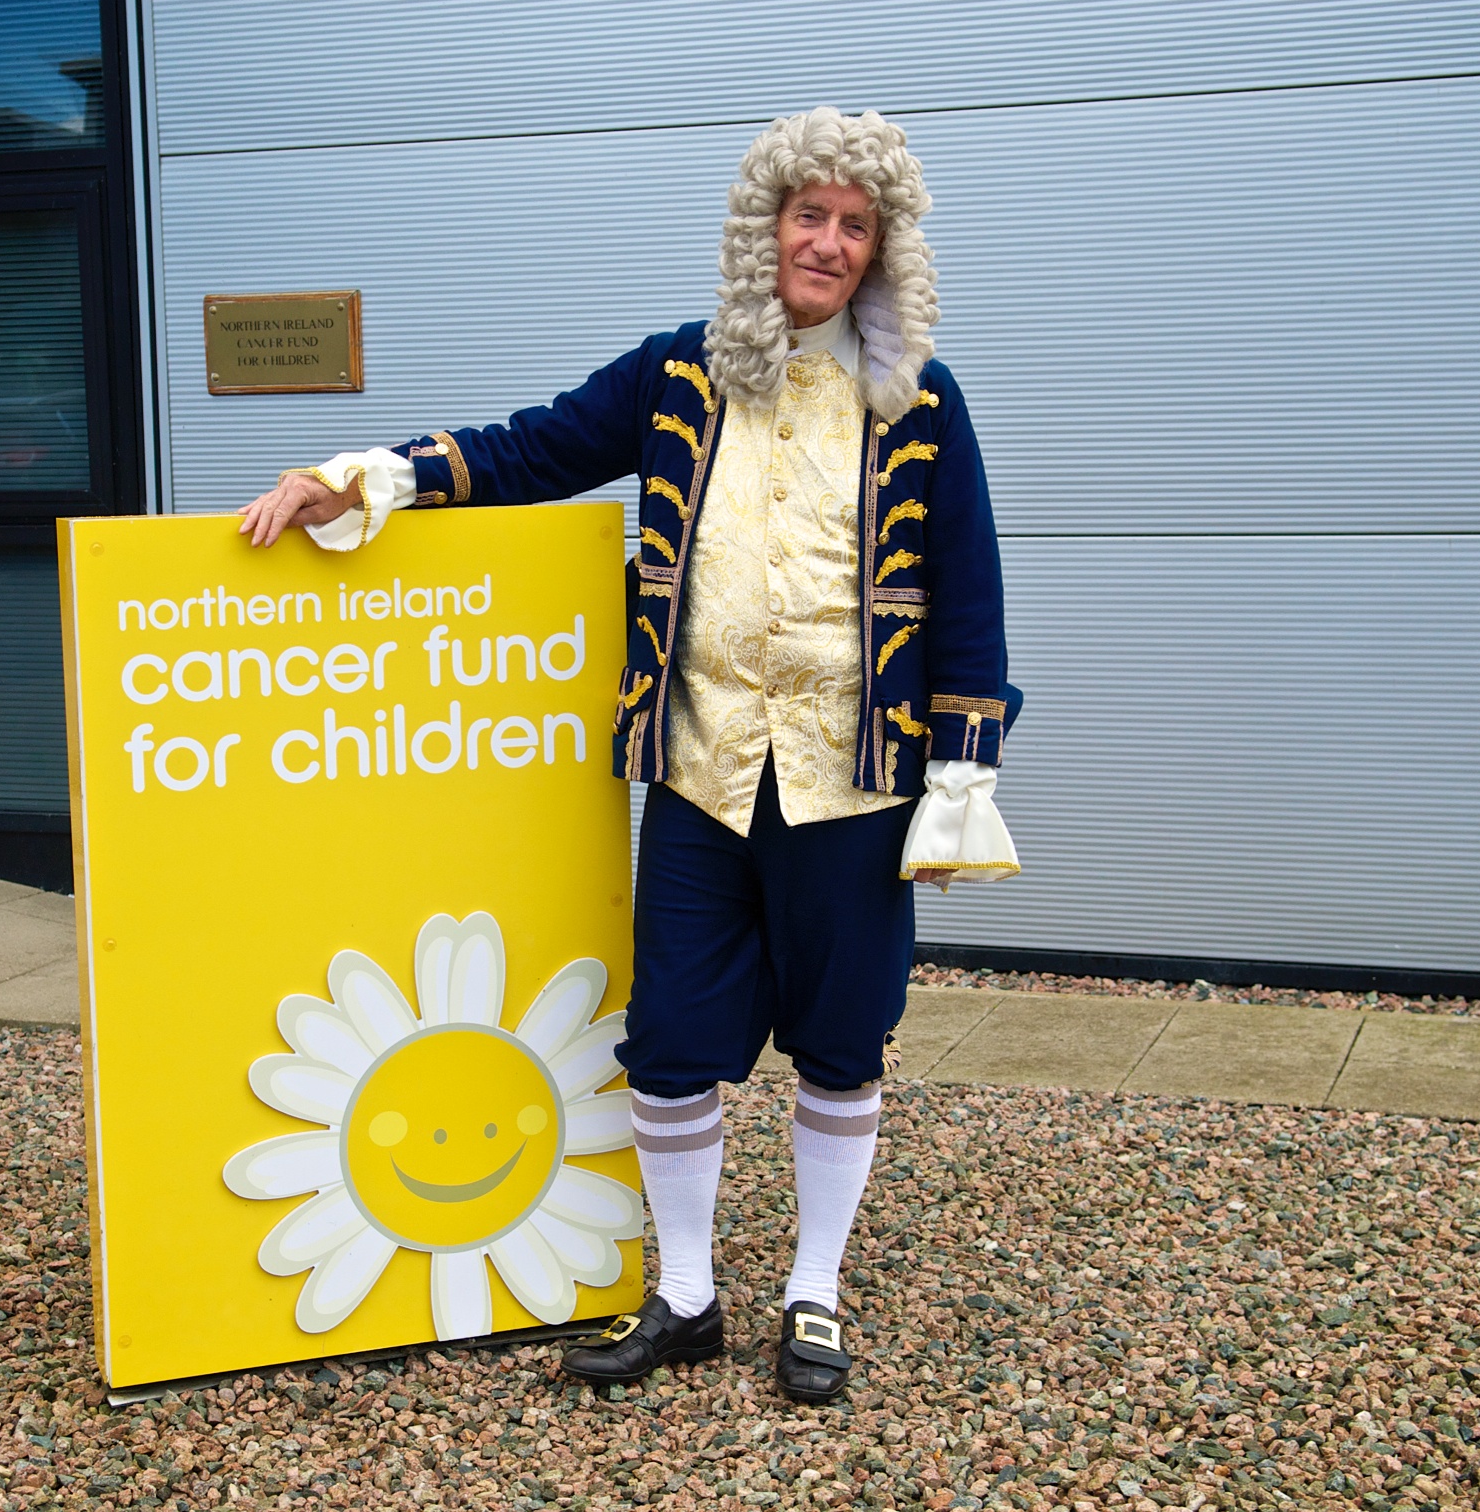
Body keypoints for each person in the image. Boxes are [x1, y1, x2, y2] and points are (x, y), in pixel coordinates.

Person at [238, 106, 1021, 1403]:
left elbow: (968, 594)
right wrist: (366, 478)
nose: (827, 243)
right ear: (765, 225)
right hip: (702, 781)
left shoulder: (921, 401)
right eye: (808, 215)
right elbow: (532, 447)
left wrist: (959, 780)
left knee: (841, 1045)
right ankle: (689, 1296)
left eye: (854, 225)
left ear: (880, 250)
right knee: (665, 1045)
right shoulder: (678, 373)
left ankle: (814, 1292)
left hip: (854, 785)